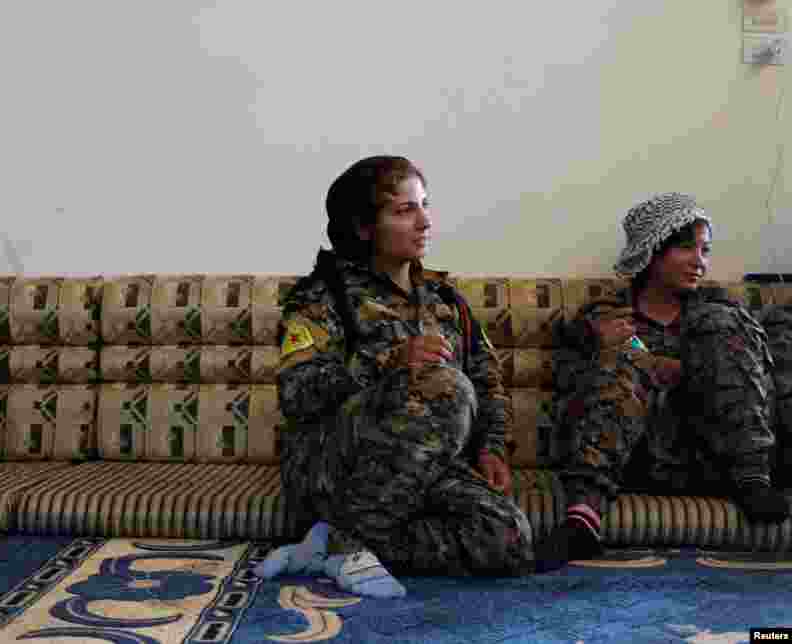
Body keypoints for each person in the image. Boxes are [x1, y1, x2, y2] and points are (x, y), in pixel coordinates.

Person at [254, 156, 534, 597]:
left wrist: (492, 448)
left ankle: (332, 544)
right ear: (365, 227)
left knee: (509, 539)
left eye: (425, 205)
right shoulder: (323, 297)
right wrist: (385, 364)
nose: (425, 222)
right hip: (338, 468)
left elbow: (487, 380)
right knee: (445, 385)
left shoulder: (446, 300)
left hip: (427, 468)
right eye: (404, 211)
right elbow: (298, 394)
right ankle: (344, 542)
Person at [535, 193, 791, 572]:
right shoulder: (603, 317)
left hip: (716, 457)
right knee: (619, 357)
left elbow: (758, 379)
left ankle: (753, 477)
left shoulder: (721, 312)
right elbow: (568, 393)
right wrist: (607, 354)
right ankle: (582, 518)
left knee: (722, 326)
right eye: (686, 248)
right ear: (651, 251)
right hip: (637, 459)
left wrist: (688, 369)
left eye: (705, 250)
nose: (699, 261)